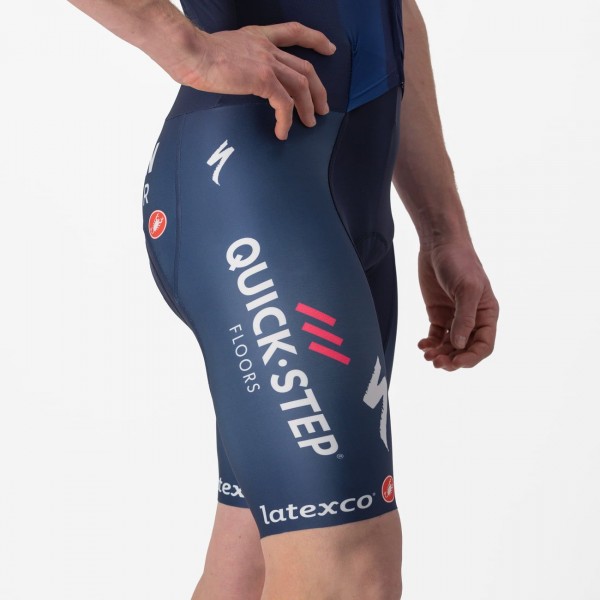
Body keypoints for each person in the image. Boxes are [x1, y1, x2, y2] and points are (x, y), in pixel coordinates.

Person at [66, 0, 500, 598]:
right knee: (349, 575)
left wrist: (443, 228)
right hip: (253, 193)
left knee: (248, 570)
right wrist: (187, 47)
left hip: (343, 209)